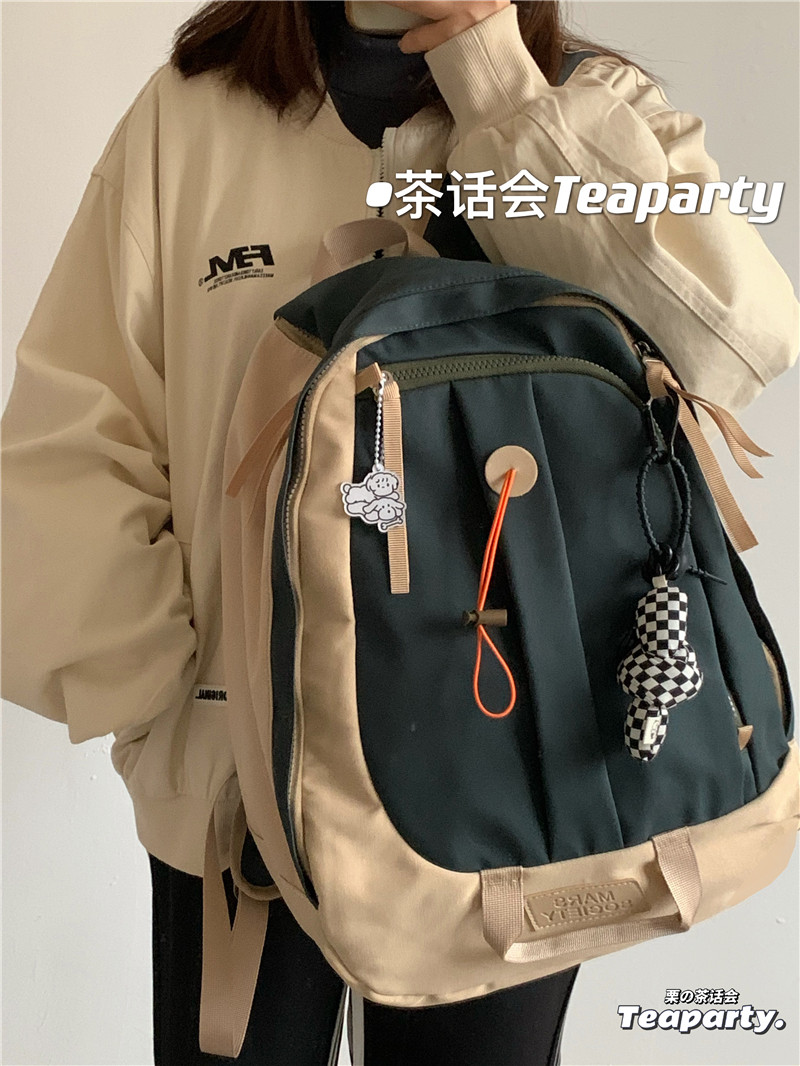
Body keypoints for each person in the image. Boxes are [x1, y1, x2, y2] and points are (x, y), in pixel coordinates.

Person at [2, 2, 797, 1064]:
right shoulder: (193, 113)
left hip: (520, 783)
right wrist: (171, 704)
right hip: (242, 787)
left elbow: (726, 350)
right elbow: (77, 423)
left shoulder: (590, 103)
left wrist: (501, 91)